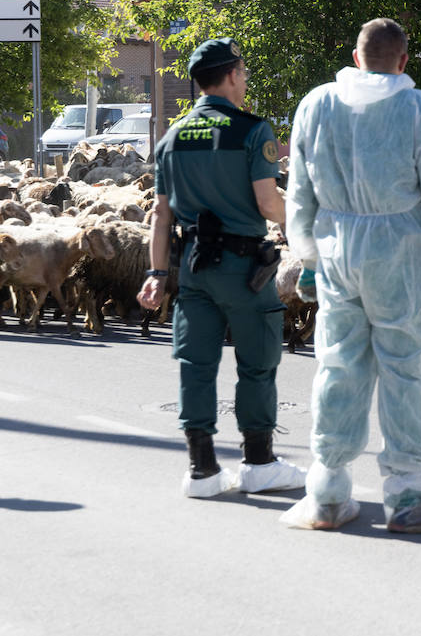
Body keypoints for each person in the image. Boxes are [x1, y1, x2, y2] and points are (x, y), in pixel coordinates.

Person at [280, 18, 421, 533]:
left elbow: (298, 190)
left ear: (354, 54)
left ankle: (326, 493)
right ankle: (407, 496)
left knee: (338, 364)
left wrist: (304, 257)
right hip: (397, 253)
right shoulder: (417, 109)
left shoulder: (317, 105)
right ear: (404, 60)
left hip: (335, 252)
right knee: (404, 369)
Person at [136, 37, 308, 498]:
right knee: (257, 364)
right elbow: (269, 203)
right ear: (231, 74)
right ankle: (257, 463)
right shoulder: (252, 130)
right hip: (244, 269)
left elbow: (161, 217)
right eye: (245, 73)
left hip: (192, 267)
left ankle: (202, 469)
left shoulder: (170, 139)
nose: (246, 81)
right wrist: (304, 219)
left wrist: (155, 275)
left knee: (195, 364)